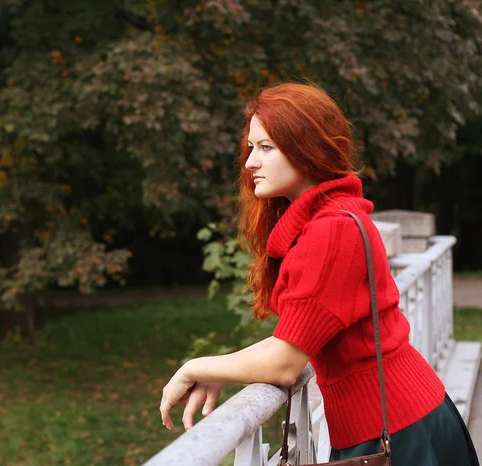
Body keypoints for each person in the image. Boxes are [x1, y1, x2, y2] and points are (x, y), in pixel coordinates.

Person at [159, 82, 479, 465]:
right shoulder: (328, 219)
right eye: (250, 148)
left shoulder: (329, 232)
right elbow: (292, 339)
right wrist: (220, 367)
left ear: (306, 149)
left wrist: (194, 366)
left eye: (266, 148)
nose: (250, 163)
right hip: (394, 423)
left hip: (395, 432)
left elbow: (284, 362)